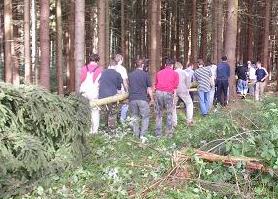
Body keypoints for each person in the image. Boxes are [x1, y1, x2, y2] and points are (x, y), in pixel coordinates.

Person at [128, 58, 154, 141]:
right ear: (142, 65)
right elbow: (149, 88)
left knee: (134, 117)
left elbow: (129, 86)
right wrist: (152, 98)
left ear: (136, 65)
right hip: (142, 99)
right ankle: (143, 135)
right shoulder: (145, 74)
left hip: (132, 99)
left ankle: (135, 135)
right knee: (145, 117)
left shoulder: (130, 75)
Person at [155, 58, 179, 137]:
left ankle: (158, 134)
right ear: (172, 66)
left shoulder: (159, 73)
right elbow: (175, 87)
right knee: (169, 113)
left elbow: (156, 84)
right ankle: (169, 133)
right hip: (168, 93)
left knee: (159, 113)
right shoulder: (175, 74)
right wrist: (174, 98)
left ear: (165, 65)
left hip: (158, 92)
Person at [80, 53, 102, 134]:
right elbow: (100, 83)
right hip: (93, 92)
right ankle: (94, 131)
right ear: (97, 61)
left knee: (85, 111)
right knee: (95, 112)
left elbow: (81, 79)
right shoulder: (99, 69)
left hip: (83, 92)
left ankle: (87, 130)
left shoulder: (84, 68)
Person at [98, 60, 123, 131]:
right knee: (112, 113)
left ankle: (102, 128)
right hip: (112, 97)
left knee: (103, 113)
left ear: (109, 65)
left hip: (102, 96)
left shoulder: (103, 72)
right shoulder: (117, 74)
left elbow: (99, 82)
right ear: (115, 66)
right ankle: (111, 130)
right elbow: (119, 87)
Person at [172, 62, 194, 126]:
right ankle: (189, 120)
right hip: (183, 90)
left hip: (174, 91)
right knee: (189, 103)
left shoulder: (173, 72)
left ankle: (174, 123)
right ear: (181, 66)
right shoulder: (185, 72)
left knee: (173, 107)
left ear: (175, 67)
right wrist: (187, 88)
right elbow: (188, 83)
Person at [114, 54, 129, 123]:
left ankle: (116, 119)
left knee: (114, 105)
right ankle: (122, 120)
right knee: (125, 104)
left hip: (112, 89)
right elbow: (124, 81)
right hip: (121, 89)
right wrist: (127, 90)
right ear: (121, 60)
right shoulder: (122, 69)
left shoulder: (111, 68)